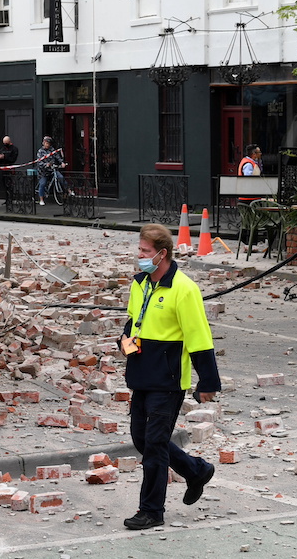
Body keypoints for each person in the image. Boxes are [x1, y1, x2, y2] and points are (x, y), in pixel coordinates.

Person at [118, 223, 221, 530]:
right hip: (141, 373)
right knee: (143, 438)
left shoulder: (185, 289)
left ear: (161, 254)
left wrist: (208, 382)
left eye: (145, 251)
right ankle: (196, 471)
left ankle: (151, 510)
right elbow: (133, 322)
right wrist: (124, 340)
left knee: (154, 445)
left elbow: (199, 338)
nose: (139, 255)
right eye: (139, 249)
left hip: (168, 380)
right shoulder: (140, 284)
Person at [36, 136, 66, 206]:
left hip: (52, 169)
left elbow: (57, 157)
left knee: (60, 177)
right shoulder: (40, 151)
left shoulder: (52, 150)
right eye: (46, 143)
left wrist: (62, 162)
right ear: (43, 143)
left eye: (48, 143)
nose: (47, 145)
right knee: (42, 184)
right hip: (43, 172)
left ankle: (68, 190)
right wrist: (46, 165)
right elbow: (39, 162)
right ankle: (41, 199)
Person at [0, 135, 19, 204]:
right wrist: (0, 158)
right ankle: (6, 199)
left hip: (10, 169)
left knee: (10, 184)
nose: (5, 145)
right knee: (4, 184)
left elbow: (13, 159)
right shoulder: (2, 149)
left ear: (9, 141)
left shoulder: (14, 149)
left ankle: (11, 199)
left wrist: (4, 157)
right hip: (3, 169)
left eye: (6, 143)